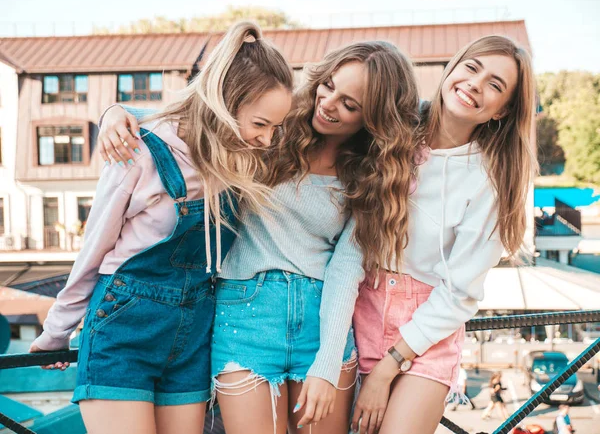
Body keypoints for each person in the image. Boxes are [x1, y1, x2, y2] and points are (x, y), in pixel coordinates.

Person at [96, 40, 420, 434]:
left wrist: (327, 363)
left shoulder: (370, 176)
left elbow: (345, 271)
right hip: (244, 316)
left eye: (350, 105)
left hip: (322, 320)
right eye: (329, 85)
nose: (328, 103)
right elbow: (201, 117)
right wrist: (120, 112)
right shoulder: (273, 132)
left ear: (374, 120)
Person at [29, 21, 294, 434]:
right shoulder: (139, 152)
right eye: (261, 124)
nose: (267, 139)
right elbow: (93, 250)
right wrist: (56, 332)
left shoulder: (239, 160)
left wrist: (120, 109)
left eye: (275, 128)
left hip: (192, 337)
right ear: (224, 102)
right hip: (124, 331)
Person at [352, 35, 536, 434]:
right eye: (472, 67)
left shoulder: (491, 177)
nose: (476, 83)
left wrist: (388, 368)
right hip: (354, 304)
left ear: (502, 112)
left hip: (428, 325)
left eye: (495, 85)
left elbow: (459, 291)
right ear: (452, 68)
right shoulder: (392, 128)